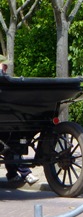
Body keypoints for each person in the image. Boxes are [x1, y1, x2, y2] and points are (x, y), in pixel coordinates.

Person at [0, 54, 40, 185]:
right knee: (9, 144)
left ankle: (12, 175)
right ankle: (25, 173)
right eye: (3, 65)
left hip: (8, 121)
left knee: (11, 142)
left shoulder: (7, 81)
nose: (5, 67)